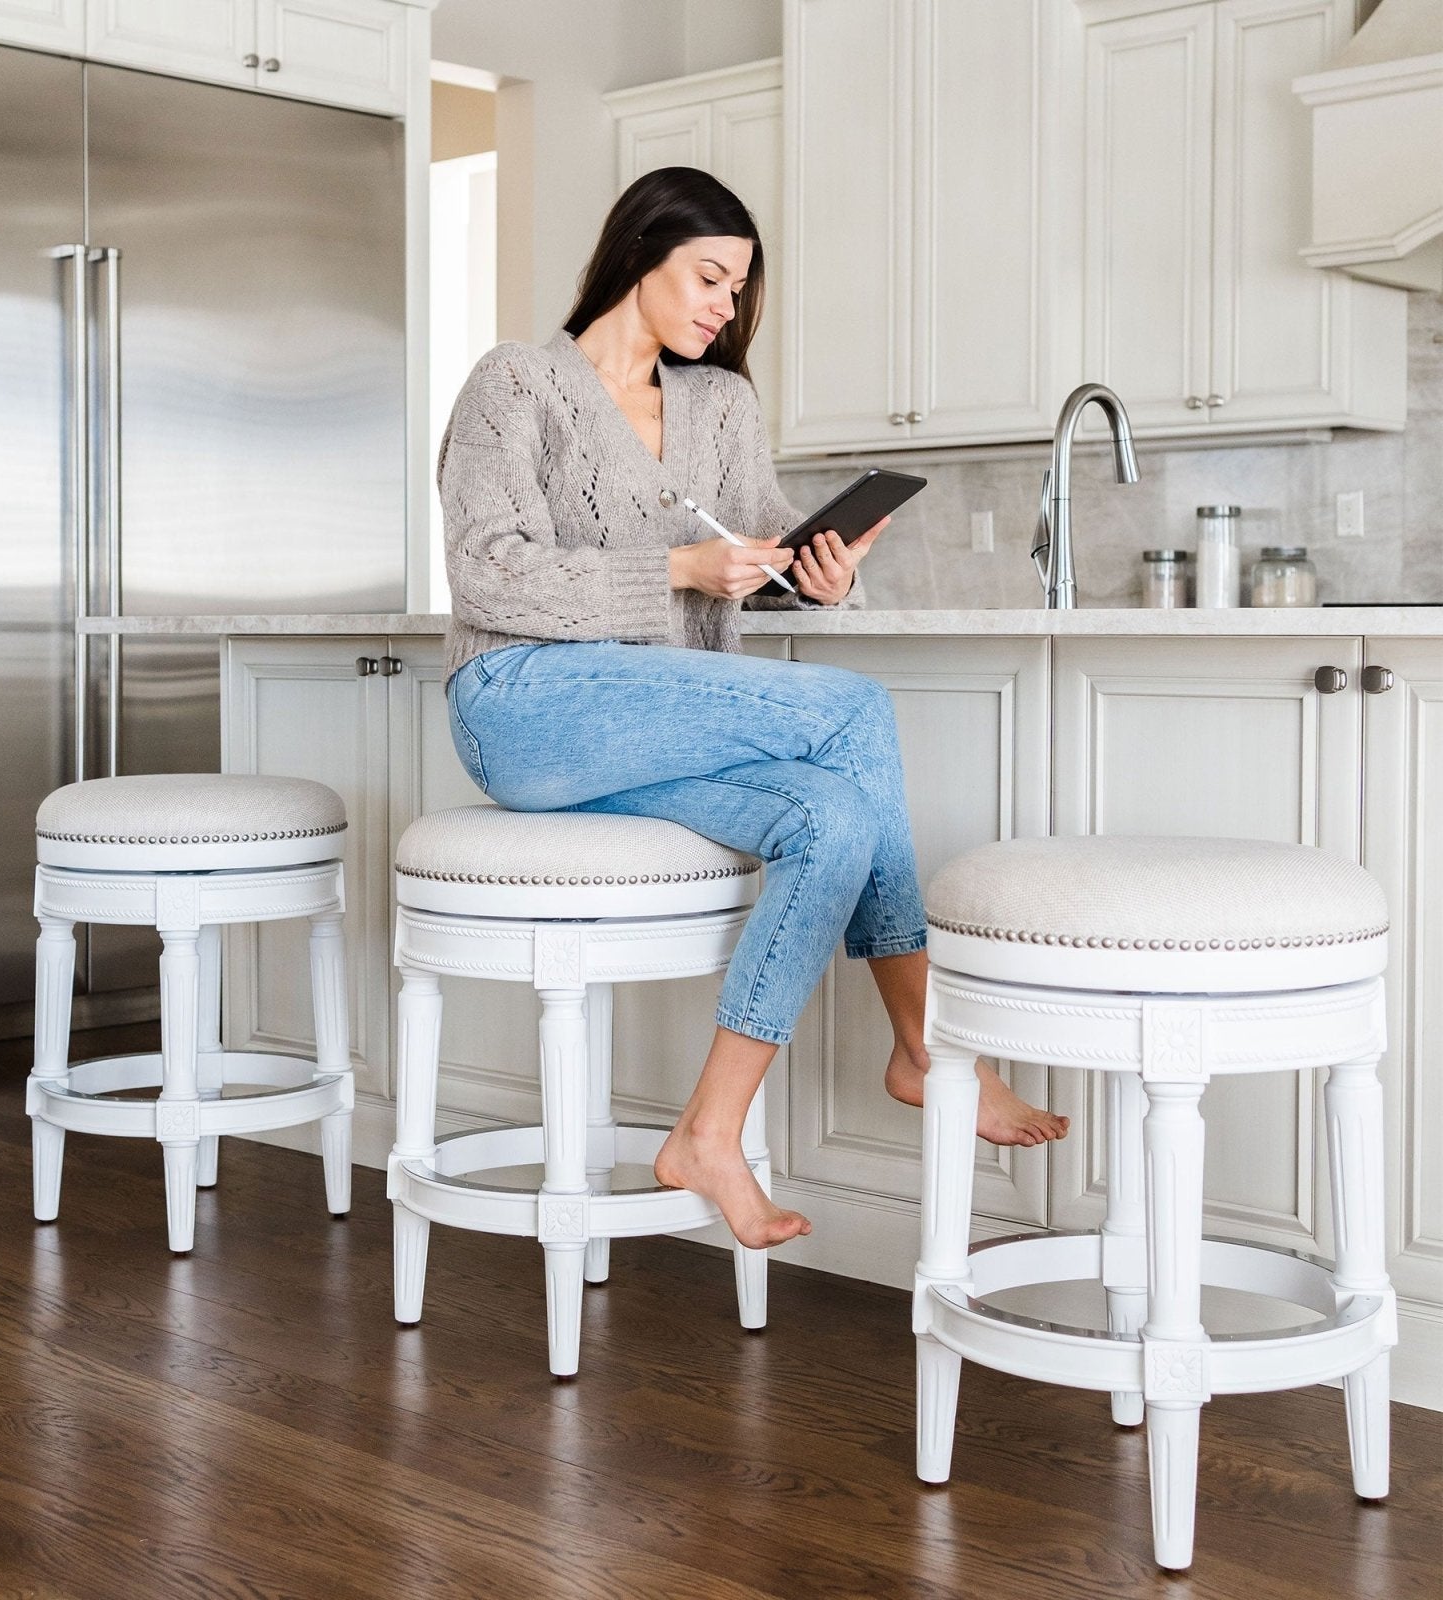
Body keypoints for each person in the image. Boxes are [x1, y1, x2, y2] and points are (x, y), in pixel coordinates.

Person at [437, 167, 1066, 1251]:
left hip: (651, 723)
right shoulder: (516, 383)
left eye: (739, 289)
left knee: (834, 816)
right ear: (639, 256)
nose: (726, 306)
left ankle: (708, 1131)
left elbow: (762, 540)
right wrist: (679, 566)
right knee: (855, 711)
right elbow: (489, 572)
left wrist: (815, 572)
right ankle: (927, 1049)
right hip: (524, 704)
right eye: (708, 277)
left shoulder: (719, 403)